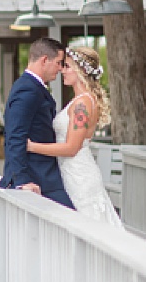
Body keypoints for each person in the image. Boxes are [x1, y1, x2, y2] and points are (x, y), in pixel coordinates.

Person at [26, 46, 123, 227]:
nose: (63, 70)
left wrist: (32, 146)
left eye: (68, 66)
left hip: (79, 175)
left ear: (81, 72)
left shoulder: (83, 104)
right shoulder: (79, 101)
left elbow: (71, 148)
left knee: (87, 228)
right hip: (70, 172)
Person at [0, 37, 75, 209]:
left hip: (45, 175)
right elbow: (15, 136)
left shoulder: (31, 86)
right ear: (44, 60)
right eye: (58, 62)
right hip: (38, 178)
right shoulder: (28, 89)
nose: (61, 68)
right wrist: (22, 179)